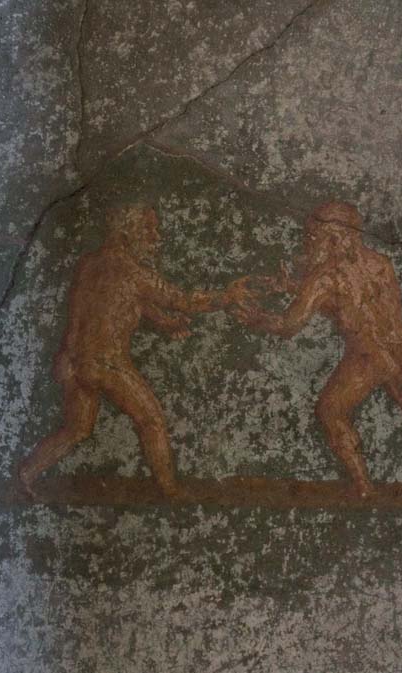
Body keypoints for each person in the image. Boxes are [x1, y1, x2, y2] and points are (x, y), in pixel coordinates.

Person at [234, 200, 402, 498]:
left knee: (330, 410)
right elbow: (357, 306)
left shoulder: (325, 276)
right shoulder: (380, 263)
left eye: (313, 237)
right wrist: (294, 288)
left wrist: (259, 319)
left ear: (336, 237)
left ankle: (363, 486)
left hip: (367, 358)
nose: (307, 243)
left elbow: (290, 324)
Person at [18, 203, 251, 497]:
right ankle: (170, 489)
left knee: (77, 429)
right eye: (148, 229)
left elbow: (114, 305)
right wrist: (227, 296)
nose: (155, 237)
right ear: (128, 232)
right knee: (150, 419)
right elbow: (184, 299)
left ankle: (27, 472)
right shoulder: (134, 273)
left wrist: (165, 324)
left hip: (76, 361)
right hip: (107, 363)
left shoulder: (90, 264)